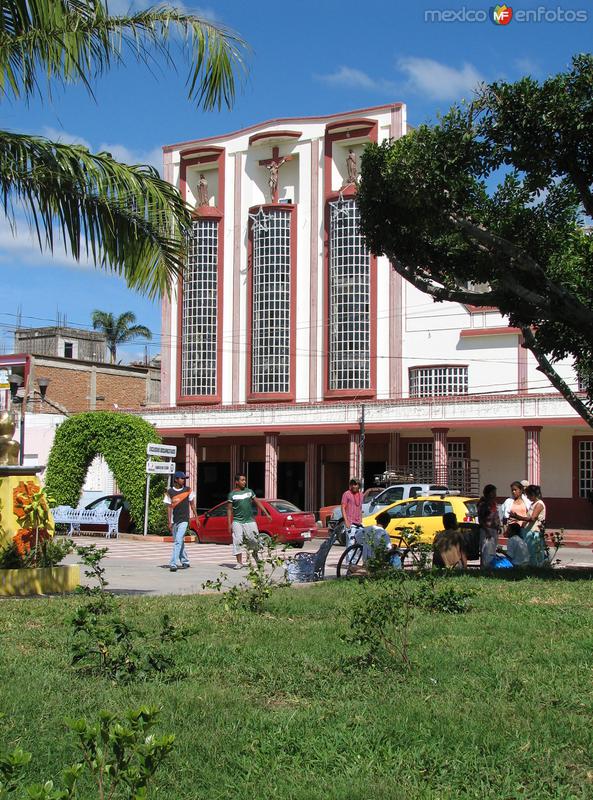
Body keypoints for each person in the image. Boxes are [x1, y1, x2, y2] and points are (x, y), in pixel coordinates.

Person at [227, 474, 272, 569]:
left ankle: (255, 555)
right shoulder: (232, 495)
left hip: (250, 520)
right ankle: (239, 562)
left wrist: (267, 513)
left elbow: (257, 502)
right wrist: (229, 524)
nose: (244, 482)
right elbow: (229, 510)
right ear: (236, 482)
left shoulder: (249, 492)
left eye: (245, 480)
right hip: (237, 521)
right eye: (242, 480)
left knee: (254, 540)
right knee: (237, 540)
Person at [164, 471, 198, 573]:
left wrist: (196, 517)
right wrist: (169, 522)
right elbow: (169, 508)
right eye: (182, 478)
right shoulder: (170, 492)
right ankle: (185, 561)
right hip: (175, 521)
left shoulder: (188, 490)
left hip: (184, 520)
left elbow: (192, 504)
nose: (183, 480)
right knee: (179, 542)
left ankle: (173, 563)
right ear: (176, 480)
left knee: (178, 540)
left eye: (184, 479)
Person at [510, 484, 547, 566]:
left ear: (533, 494)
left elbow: (532, 518)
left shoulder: (539, 504)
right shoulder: (533, 504)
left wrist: (518, 517)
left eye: (528, 495)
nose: (527, 497)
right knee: (529, 553)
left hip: (534, 532)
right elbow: (528, 517)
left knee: (535, 553)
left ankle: (537, 568)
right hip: (528, 532)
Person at [477, 484, 501, 569]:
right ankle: (485, 568)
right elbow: (481, 519)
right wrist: (486, 530)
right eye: (493, 492)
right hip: (486, 530)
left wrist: (499, 526)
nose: (495, 494)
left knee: (492, 550)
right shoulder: (483, 504)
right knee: (486, 550)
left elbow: (496, 516)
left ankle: (491, 567)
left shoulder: (493, 503)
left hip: (494, 529)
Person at [341, 478, 363, 553]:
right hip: (350, 523)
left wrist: (361, 520)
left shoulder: (361, 495)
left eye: (355, 484)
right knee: (350, 544)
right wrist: (346, 521)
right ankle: (349, 564)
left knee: (359, 545)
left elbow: (360, 508)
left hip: (359, 524)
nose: (354, 486)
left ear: (359, 486)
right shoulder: (346, 494)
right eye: (352, 484)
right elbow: (343, 508)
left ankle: (354, 563)